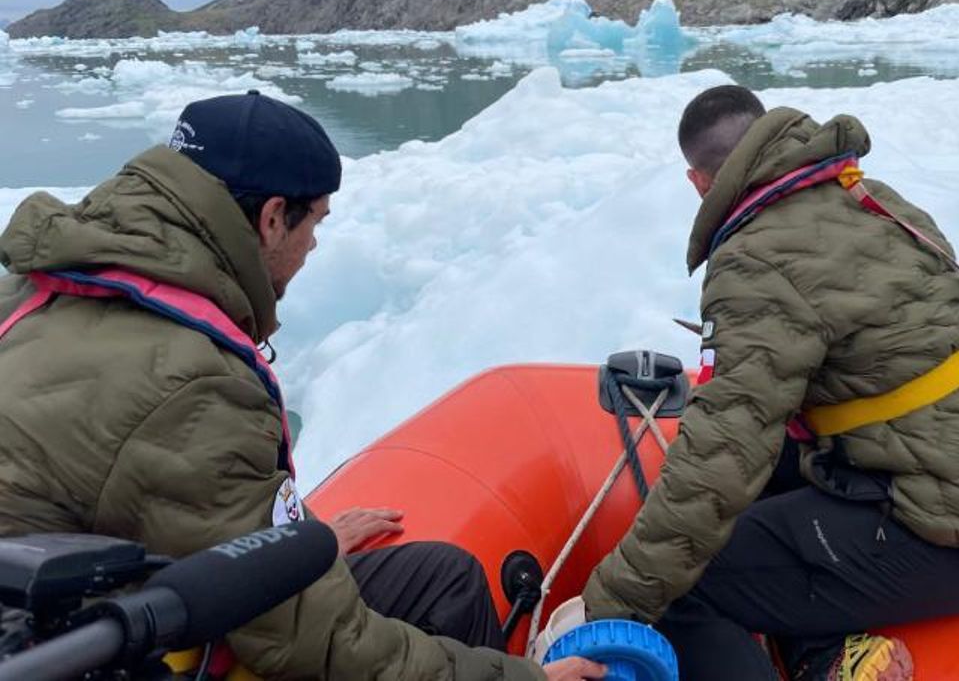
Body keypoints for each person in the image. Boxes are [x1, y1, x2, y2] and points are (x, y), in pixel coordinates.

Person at [0, 91, 602, 681]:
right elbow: (318, 642)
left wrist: (295, 538)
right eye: (314, 222)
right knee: (445, 595)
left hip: (60, 619)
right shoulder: (192, 384)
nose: (313, 244)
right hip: (105, 650)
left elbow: (152, 490)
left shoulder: (28, 290)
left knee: (441, 574)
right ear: (270, 218)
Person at [582, 85, 959, 680]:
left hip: (952, 534)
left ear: (699, 183)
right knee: (761, 479)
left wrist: (611, 603)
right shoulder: (869, 197)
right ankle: (830, 656)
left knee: (686, 583)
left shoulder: (755, 260)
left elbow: (720, 455)